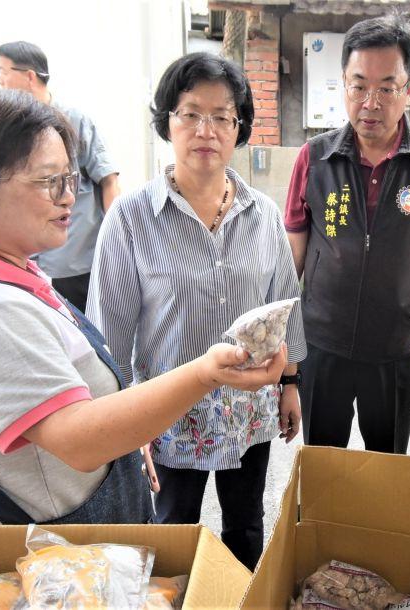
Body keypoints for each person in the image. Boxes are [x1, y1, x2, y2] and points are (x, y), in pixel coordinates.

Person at [0, 86, 286, 526]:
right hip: (54, 556)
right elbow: (80, 439)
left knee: (244, 520)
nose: (67, 198)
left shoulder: (6, 268)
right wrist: (206, 372)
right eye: (47, 181)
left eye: (69, 178)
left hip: (94, 515)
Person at [87, 52, 306, 570]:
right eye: (190, 113)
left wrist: (291, 382)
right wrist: (123, 428)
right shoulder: (132, 218)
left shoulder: (264, 216)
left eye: (221, 116)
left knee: (246, 527)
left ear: (239, 128)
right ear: (168, 121)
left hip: (248, 411)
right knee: (171, 536)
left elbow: (284, 303)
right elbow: (108, 332)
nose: (205, 130)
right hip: (168, 415)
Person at [284, 13, 410, 454]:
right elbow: (292, 260)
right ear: (343, 83)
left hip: (397, 351)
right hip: (322, 346)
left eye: (387, 87)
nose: (371, 102)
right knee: (324, 470)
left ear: (409, 89)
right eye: (359, 85)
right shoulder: (314, 159)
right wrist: (287, 359)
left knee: (388, 468)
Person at [0, 41, 120, 312]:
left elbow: (109, 181)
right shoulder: (10, 129)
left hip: (77, 262)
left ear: (29, 76)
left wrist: (116, 242)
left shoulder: (75, 120)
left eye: (4, 71)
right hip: (29, 261)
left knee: (89, 334)